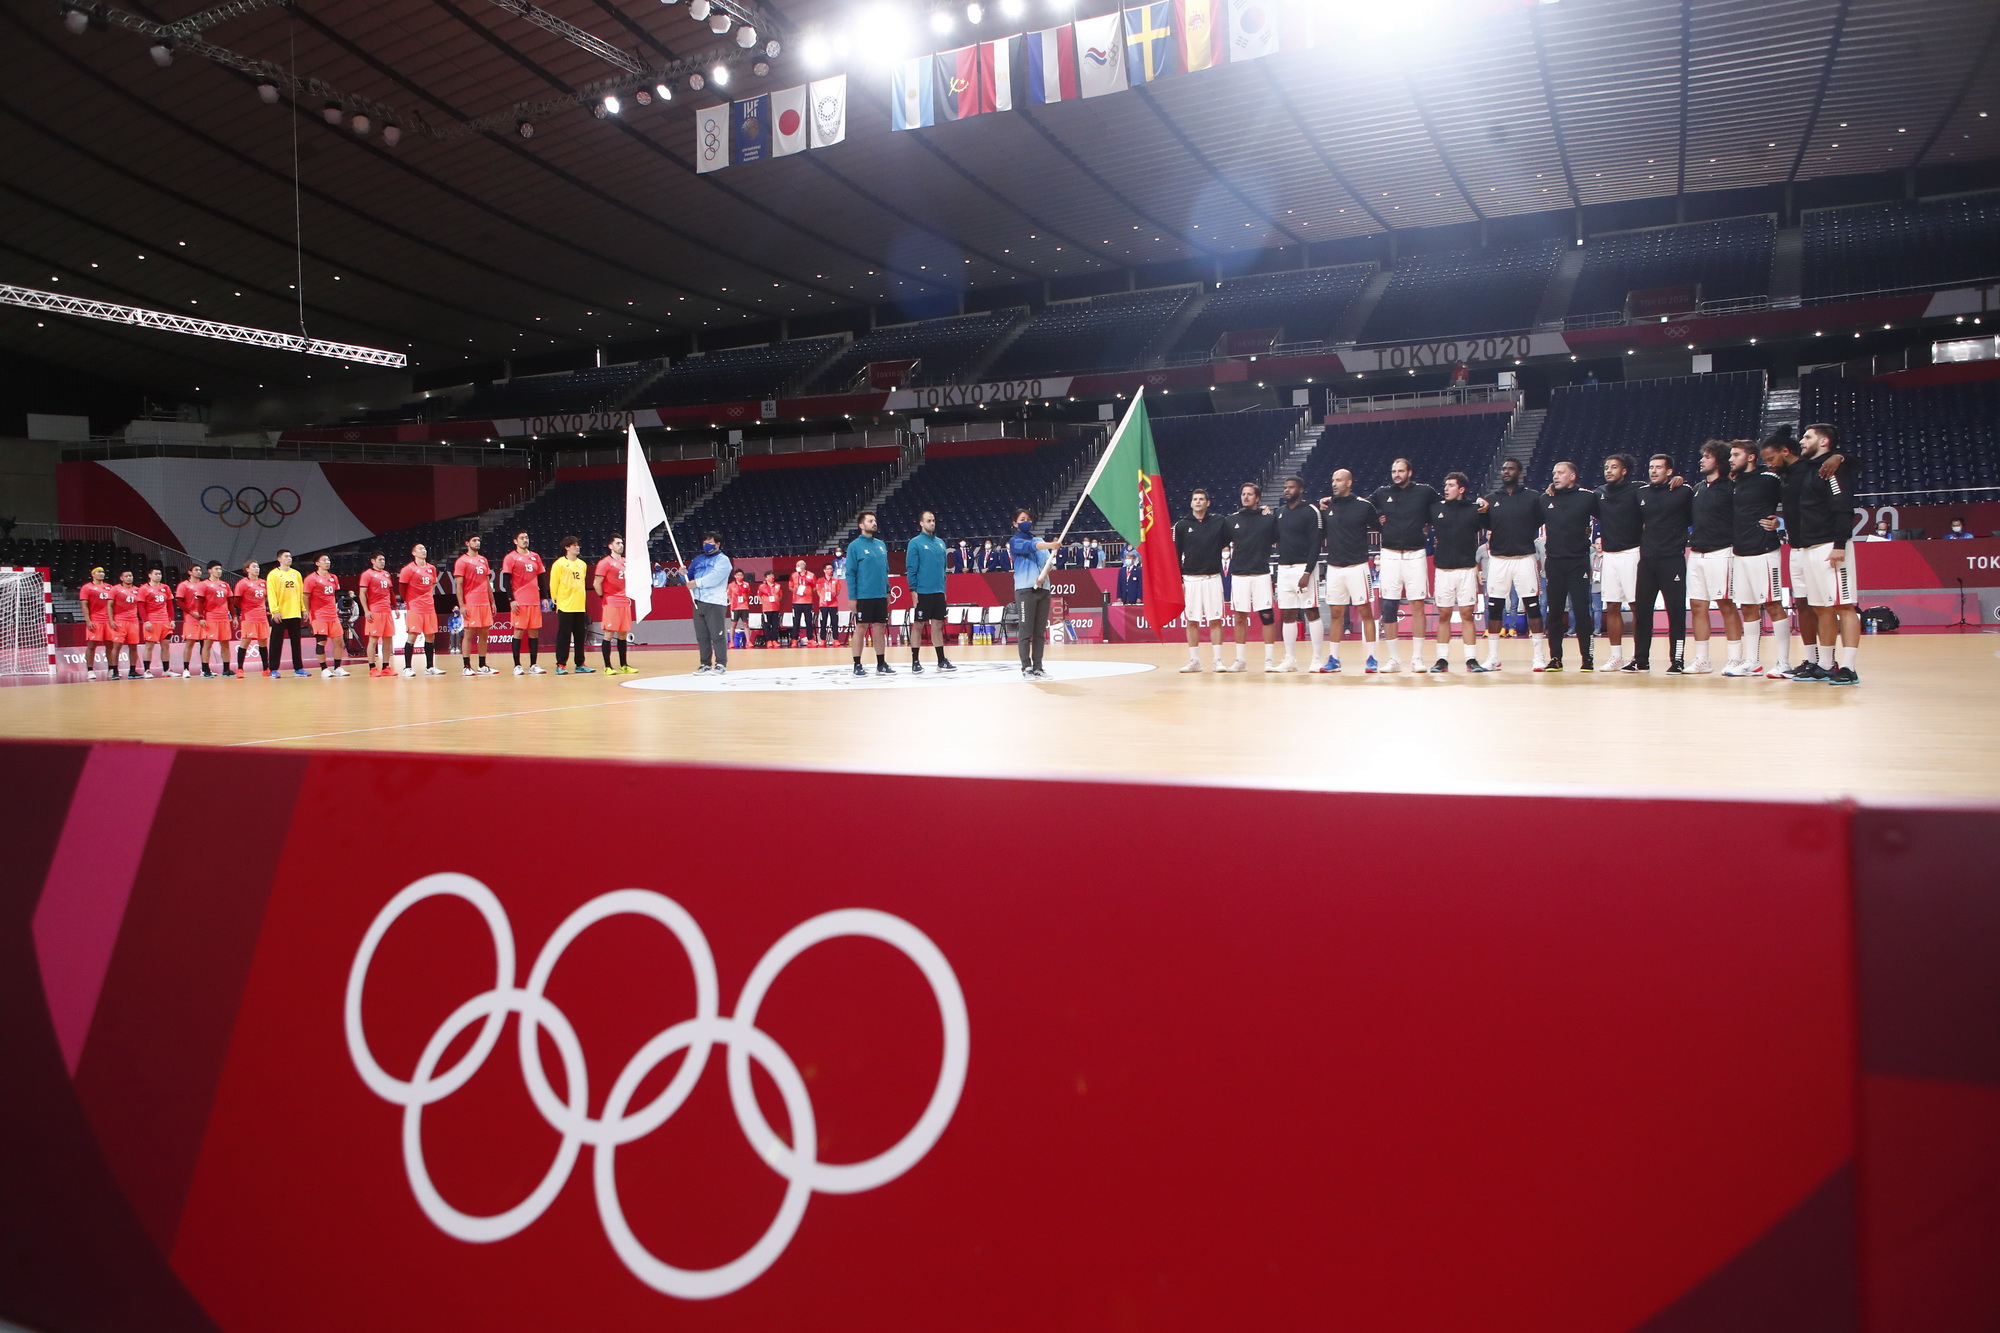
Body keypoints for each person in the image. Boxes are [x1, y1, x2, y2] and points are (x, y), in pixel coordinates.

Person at [1791, 430, 1862, 685]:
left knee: (1844, 606)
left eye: (1808, 437)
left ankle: (1848, 667)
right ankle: (1824, 664)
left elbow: (1843, 506)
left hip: (1830, 545)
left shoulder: (1833, 468)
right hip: (1809, 546)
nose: (1802, 441)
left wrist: (1840, 544)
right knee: (1821, 608)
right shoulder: (1809, 468)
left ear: (1823, 441)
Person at [1368, 458, 1440, 673]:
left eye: (1400, 471)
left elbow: (1443, 508)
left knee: (1417, 604)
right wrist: (1376, 521)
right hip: (1389, 554)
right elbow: (1361, 508)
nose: (1396, 474)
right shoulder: (1381, 493)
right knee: (1389, 606)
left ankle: (1417, 658)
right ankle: (1394, 659)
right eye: (1393, 471)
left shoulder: (1425, 492)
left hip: (1415, 554)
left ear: (1410, 472)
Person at [1724, 438, 1787, 677]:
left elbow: (1793, 502)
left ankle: (1783, 662)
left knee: (1772, 604)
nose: (1731, 459)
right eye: (1731, 455)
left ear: (1750, 457)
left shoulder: (1769, 479)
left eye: (1736, 454)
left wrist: (1780, 522)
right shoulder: (1734, 482)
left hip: (1764, 551)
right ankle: (1753, 661)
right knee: (1748, 607)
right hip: (1740, 552)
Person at [1630, 454, 1693, 673]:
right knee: (1643, 613)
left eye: (1659, 467)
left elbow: (1695, 518)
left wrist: (1682, 481)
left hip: (1672, 561)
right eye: (1651, 467)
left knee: (1676, 613)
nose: (1653, 471)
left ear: (1669, 471)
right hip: (1647, 562)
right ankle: (1640, 660)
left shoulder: (1683, 492)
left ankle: (1677, 660)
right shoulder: (1641, 493)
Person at [1481, 458, 1546, 671]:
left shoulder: (1532, 497)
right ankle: (1493, 657)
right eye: (1504, 468)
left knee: (1533, 607)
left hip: (1524, 558)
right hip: (1498, 560)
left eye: (1510, 468)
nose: (1506, 471)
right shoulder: (1490, 499)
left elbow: (1539, 520)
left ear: (1519, 472)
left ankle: (1538, 656)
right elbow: (1484, 523)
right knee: (1495, 607)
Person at [1685, 441, 1742, 674]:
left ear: (1718, 460)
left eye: (1707, 456)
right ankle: (1702, 659)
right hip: (1697, 553)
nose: (1702, 460)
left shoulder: (1732, 487)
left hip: (1723, 552)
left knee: (1726, 605)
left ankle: (1735, 658)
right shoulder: (1697, 488)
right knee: (1698, 605)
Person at [1317, 470, 1380, 673]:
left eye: (1339, 480)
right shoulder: (1328, 506)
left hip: (1358, 566)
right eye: (1333, 480)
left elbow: (1381, 527)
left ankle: (1372, 657)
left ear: (1349, 482)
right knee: (1336, 613)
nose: (1334, 484)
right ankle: (1334, 659)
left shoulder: (1363, 506)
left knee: (1365, 612)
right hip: (1334, 567)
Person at [1541, 462, 1599, 671]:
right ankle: (1555, 658)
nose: (1555, 476)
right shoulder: (1546, 498)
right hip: (1554, 562)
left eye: (1560, 472)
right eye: (1554, 472)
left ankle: (1587, 658)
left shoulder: (1587, 497)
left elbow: (1608, 514)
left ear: (1572, 475)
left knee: (1582, 610)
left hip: (1578, 562)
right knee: (1554, 612)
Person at [1427, 472, 1488, 673]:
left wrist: (1486, 509)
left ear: (1461, 489)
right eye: (1445, 485)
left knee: (1467, 614)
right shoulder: (1436, 508)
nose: (1446, 488)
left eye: (1451, 485)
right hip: (1443, 569)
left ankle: (1471, 659)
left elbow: (1492, 523)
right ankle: (1442, 659)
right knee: (1443, 614)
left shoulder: (1474, 510)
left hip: (1466, 569)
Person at [1594, 454, 1643, 672]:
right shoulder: (1599, 493)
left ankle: (1639, 655)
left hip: (1633, 552)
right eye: (1606, 467)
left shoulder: (1638, 489)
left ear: (1624, 471)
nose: (1609, 470)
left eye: (1614, 467)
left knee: (1636, 606)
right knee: (1612, 605)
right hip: (1610, 555)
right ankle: (1616, 656)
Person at [1172, 487, 1230, 672]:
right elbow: (1176, 553)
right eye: (1195, 499)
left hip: (1212, 577)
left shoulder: (1219, 522)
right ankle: (1195, 660)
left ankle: (1218, 660)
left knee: (1215, 620)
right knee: (1192, 621)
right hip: (1190, 579)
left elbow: (1233, 532)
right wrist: (1179, 579)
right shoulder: (1181, 525)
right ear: (1191, 503)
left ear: (1208, 503)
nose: (1197, 502)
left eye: (1201, 499)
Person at [1225, 481, 1280, 673]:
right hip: (1239, 574)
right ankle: (1240, 661)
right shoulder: (1231, 520)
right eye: (1243, 494)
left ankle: (1269, 660)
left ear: (1257, 498)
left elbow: (1276, 537)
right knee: (1239, 617)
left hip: (1261, 573)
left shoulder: (1269, 519)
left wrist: (1269, 512)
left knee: (1266, 616)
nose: (1245, 497)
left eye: (1249, 494)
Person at [1273, 477, 1327, 672]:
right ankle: (1290, 660)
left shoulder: (1311, 511)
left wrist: (1307, 571)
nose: (1287, 490)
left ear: (1301, 489)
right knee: (1288, 614)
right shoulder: (1279, 513)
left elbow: (1316, 543)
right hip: (1284, 568)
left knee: (1311, 611)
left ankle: (1317, 658)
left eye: (1291, 487)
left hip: (1304, 568)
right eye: (1285, 487)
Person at [1010, 508, 1062, 678]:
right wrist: (1051, 545)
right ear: (1015, 523)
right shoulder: (1015, 541)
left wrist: (1043, 577)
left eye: (1029, 518)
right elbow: (1031, 547)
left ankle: (1038, 667)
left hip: (1043, 589)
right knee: (1026, 630)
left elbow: (1048, 563)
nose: (1027, 521)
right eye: (1022, 519)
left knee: (1040, 632)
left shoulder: (1039, 540)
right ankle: (1026, 667)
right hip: (1025, 590)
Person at [905, 511, 954, 672]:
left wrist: (944, 590)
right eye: (928, 521)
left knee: (938, 624)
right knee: (918, 625)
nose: (932, 523)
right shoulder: (915, 543)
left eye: (933, 520)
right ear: (921, 523)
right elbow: (911, 568)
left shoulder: (940, 543)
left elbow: (943, 569)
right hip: (923, 592)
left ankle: (941, 660)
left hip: (938, 591)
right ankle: (915, 661)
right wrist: (913, 591)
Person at [848, 511, 894, 676]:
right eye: (870, 521)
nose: (874, 523)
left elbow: (885, 570)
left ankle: (881, 663)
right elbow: (850, 573)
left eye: (874, 520)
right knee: (861, 627)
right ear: (861, 525)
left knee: (880, 628)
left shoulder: (881, 545)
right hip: (863, 595)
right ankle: (857, 664)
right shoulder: (854, 546)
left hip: (880, 595)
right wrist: (852, 597)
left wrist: (887, 590)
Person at [501, 531, 548, 675]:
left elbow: (541, 579)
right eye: (522, 538)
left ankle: (533, 664)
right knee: (518, 632)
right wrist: (511, 599)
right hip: (520, 600)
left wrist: (544, 597)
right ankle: (517, 665)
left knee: (534, 632)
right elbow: (506, 582)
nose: (525, 540)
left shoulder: (535, 557)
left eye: (526, 537)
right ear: (515, 541)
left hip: (534, 600)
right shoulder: (510, 558)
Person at [686, 531, 732, 674]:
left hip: (715, 602)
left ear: (718, 544)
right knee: (702, 636)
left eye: (710, 542)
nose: (707, 544)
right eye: (705, 542)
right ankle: (705, 663)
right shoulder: (698, 559)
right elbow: (689, 577)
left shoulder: (723, 560)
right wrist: (684, 574)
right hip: (698, 602)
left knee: (717, 634)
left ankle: (721, 664)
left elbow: (715, 577)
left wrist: (697, 583)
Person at [398, 543, 445, 677]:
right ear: (414, 553)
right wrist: (408, 601)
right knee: (412, 635)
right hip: (415, 607)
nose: (423, 551)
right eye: (420, 549)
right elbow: (402, 587)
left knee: (430, 636)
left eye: (424, 548)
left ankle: (430, 666)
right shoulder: (408, 569)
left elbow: (432, 586)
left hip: (429, 607)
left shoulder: (431, 568)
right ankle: (407, 668)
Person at [594, 536, 638, 674]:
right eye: (617, 543)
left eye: (622, 543)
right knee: (608, 633)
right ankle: (608, 666)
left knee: (623, 633)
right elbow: (596, 583)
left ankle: (624, 665)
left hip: (624, 600)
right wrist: (604, 596)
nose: (621, 545)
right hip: (611, 601)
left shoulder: (626, 562)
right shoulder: (605, 563)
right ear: (610, 546)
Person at [454, 535, 496, 675]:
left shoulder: (483, 560)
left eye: (478, 540)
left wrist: (492, 602)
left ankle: (482, 665)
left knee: (484, 634)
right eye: (474, 541)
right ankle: (466, 666)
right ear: (467, 543)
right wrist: (462, 605)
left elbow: (487, 583)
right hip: (471, 602)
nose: (477, 543)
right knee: (469, 634)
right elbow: (459, 586)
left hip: (484, 602)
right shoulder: (462, 561)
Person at [550, 536, 592, 674]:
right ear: (567, 548)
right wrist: (554, 598)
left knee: (580, 636)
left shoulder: (582, 564)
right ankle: (561, 664)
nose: (577, 547)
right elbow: (554, 582)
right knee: (564, 636)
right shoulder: (559, 564)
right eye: (573, 545)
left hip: (579, 605)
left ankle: (580, 663)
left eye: (578, 545)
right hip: (565, 605)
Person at [265, 548, 309, 678]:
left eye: (290, 556)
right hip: (281, 614)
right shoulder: (273, 574)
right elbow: (271, 594)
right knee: (276, 642)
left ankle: (298, 668)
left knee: (296, 642)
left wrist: (304, 609)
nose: (289, 558)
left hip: (295, 613)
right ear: (279, 559)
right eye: (286, 556)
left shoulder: (296, 574)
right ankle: (273, 668)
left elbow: (300, 593)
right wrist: (275, 611)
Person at [304, 554, 349, 677]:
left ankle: (337, 667)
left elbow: (334, 594)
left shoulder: (333, 578)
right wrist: (307, 611)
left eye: (328, 560)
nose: (327, 562)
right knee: (321, 641)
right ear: (317, 563)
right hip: (319, 615)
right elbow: (305, 596)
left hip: (332, 615)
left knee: (339, 641)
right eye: (324, 560)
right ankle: (324, 669)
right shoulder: (311, 579)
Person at [358, 553, 396, 677]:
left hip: (387, 611)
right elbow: (362, 593)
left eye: (384, 559)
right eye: (380, 560)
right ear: (373, 561)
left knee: (388, 639)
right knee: (373, 640)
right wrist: (366, 610)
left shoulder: (386, 574)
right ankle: (372, 668)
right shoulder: (367, 574)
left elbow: (390, 592)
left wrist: (395, 607)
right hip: (375, 610)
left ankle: (386, 667)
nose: (382, 562)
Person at [77, 566, 115, 680]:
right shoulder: (87, 587)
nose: (101, 574)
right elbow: (84, 605)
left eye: (103, 572)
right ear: (93, 574)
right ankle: (90, 670)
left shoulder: (109, 587)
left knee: (110, 645)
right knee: (91, 645)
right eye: (99, 572)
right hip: (95, 620)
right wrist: (88, 620)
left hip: (108, 621)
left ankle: (112, 669)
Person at [233, 560, 269, 677]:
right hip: (249, 616)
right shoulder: (243, 583)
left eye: (258, 567)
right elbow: (236, 600)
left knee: (263, 641)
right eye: (254, 567)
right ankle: (239, 669)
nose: (257, 569)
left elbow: (267, 596)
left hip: (262, 616)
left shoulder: (263, 582)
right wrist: (245, 608)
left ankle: (265, 668)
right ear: (247, 570)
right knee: (246, 640)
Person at [136, 566, 174, 678]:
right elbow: (141, 606)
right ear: (150, 575)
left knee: (166, 645)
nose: (159, 576)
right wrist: (146, 621)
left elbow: (170, 605)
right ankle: (147, 670)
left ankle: (166, 669)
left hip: (164, 621)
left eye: (160, 574)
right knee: (149, 646)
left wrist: (171, 620)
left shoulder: (165, 588)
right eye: (156, 574)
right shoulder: (144, 589)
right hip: (152, 621)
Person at [107, 568, 143, 680]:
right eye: (127, 576)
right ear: (121, 578)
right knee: (116, 646)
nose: (129, 578)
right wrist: (111, 620)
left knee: (133, 646)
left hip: (133, 621)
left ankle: (132, 671)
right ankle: (114, 670)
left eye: (131, 576)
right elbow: (109, 605)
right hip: (120, 620)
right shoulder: (115, 589)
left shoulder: (138, 590)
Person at [175, 562, 207, 678]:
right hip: (191, 618)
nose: (199, 572)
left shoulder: (204, 585)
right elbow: (179, 602)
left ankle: (204, 669)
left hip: (203, 618)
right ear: (190, 572)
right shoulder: (184, 585)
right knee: (190, 643)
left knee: (205, 644)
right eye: (196, 570)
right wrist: (191, 613)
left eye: (200, 570)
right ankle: (186, 669)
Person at [788, 558, 818, 646]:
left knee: (809, 621)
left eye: (798, 565)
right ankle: (794, 639)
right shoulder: (793, 575)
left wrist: (808, 592)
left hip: (808, 602)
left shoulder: (811, 575)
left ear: (803, 566)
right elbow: (790, 586)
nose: (797, 567)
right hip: (796, 602)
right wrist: (797, 591)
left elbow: (815, 587)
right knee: (796, 621)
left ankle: (810, 639)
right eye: (796, 565)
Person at [755, 569, 785, 648]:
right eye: (769, 576)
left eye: (772, 575)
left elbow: (780, 596)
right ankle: (768, 641)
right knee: (767, 625)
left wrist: (776, 601)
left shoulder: (778, 586)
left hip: (776, 608)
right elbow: (759, 596)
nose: (772, 577)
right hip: (766, 609)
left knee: (775, 625)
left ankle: (774, 640)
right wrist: (763, 602)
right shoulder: (762, 586)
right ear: (766, 578)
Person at [727, 568, 753, 649]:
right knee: (733, 624)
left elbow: (748, 594)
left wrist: (744, 601)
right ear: (735, 576)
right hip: (735, 607)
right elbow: (729, 595)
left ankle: (748, 641)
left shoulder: (746, 584)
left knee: (746, 624)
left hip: (744, 607)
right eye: (738, 575)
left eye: (741, 575)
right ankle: (731, 641)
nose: (740, 576)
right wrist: (732, 602)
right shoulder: (731, 585)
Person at [816, 561, 841, 643]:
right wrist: (823, 598)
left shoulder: (836, 580)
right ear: (824, 570)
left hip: (833, 604)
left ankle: (836, 639)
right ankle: (823, 639)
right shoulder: (820, 580)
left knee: (834, 622)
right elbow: (818, 591)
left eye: (831, 568)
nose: (830, 570)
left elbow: (838, 591)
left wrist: (832, 597)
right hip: (823, 604)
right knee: (823, 622)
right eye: (828, 568)